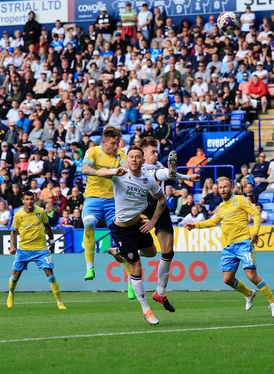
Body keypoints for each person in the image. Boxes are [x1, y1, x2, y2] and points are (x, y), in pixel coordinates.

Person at [186, 177, 274, 317]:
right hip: (229, 247)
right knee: (227, 279)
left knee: (251, 276)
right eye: (221, 187)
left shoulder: (240, 200)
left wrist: (255, 232)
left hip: (243, 243)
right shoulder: (222, 207)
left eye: (225, 187)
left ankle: (273, 301)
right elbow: (213, 222)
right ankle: (249, 294)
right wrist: (195, 225)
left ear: (231, 188)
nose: (223, 189)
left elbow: (255, 213)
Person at [93, 145, 166, 325]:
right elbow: (97, 172)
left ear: (142, 160)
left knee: (152, 253)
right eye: (131, 156)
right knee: (137, 268)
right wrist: (111, 170)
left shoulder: (147, 180)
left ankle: (120, 253)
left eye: (137, 157)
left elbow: (162, 200)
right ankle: (145, 309)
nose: (134, 159)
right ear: (127, 160)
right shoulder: (119, 175)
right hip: (122, 229)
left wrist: (153, 222)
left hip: (139, 225)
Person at [138, 137, 200, 311]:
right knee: (145, 249)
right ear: (143, 155)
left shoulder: (158, 167)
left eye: (157, 151)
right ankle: (127, 253)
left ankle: (160, 292)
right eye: (153, 152)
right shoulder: (139, 168)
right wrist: (171, 172)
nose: (156, 154)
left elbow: (168, 173)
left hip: (159, 207)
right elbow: (163, 175)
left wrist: (188, 176)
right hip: (141, 207)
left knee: (168, 251)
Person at [80, 127, 128, 283]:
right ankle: (89, 267)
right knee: (88, 224)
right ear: (104, 141)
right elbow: (85, 169)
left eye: (117, 144)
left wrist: (111, 171)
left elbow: (126, 169)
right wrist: (103, 172)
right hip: (93, 198)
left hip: (113, 201)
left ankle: (130, 279)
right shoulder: (93, 151)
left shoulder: (121, 155)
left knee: (122, 235)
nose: (115, 147)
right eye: (113, 144)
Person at [7, 192, 65, 310]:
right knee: (15, 275)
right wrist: (13, 245)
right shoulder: (18, 215)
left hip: (41, 249)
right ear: (23, 201)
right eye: (27, 199)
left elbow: (47, 227)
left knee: (50, 273)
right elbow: (13, 231)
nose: (29, 201)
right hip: (24, 249)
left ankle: (59, 302)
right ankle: (11, 293)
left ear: (34, 200)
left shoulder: (40, 211)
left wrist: (52, 242)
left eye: (31, 199)